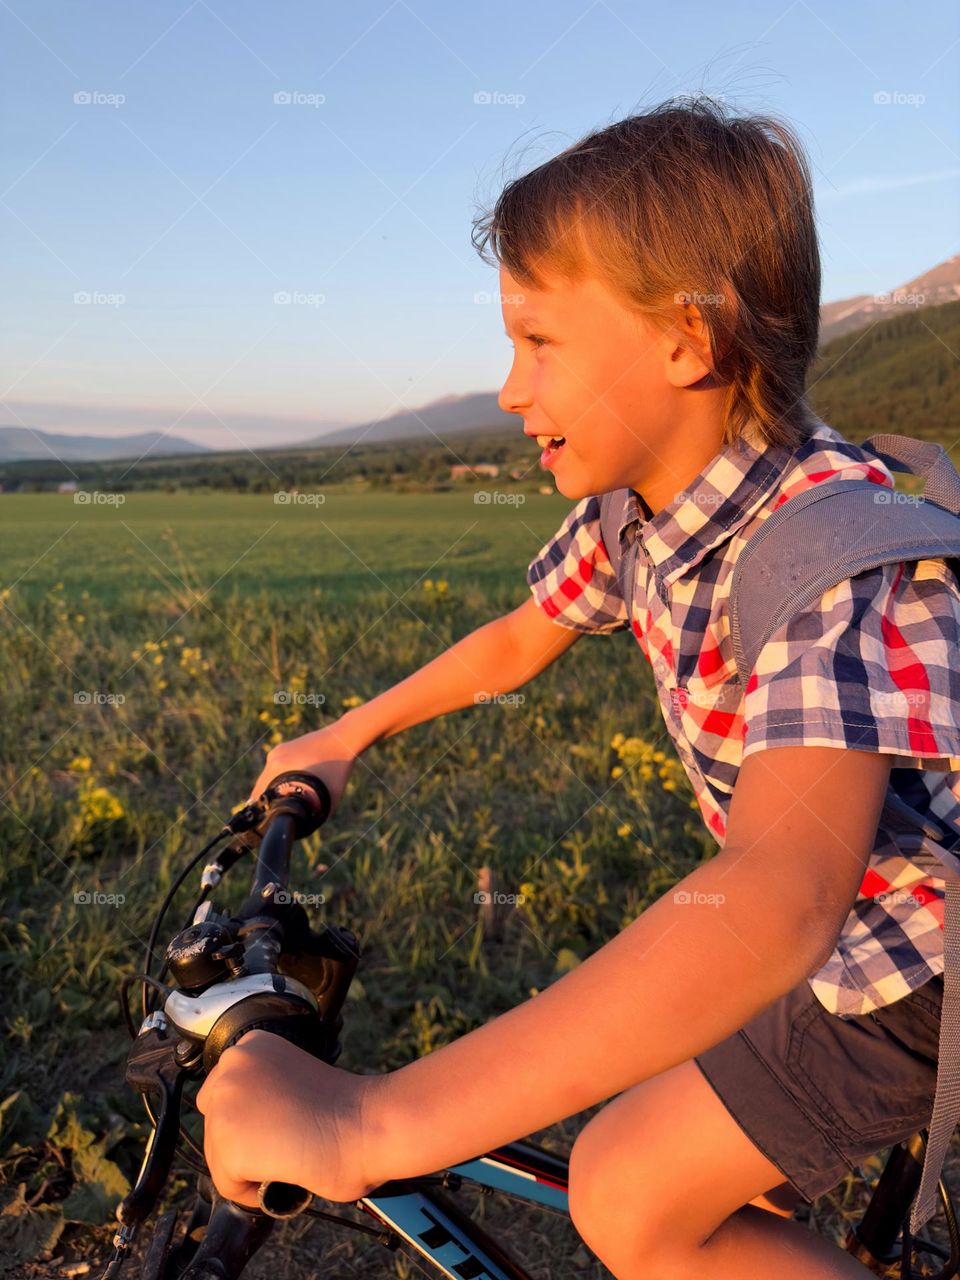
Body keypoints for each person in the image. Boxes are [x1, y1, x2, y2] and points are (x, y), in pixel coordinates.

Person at [196, 96, 960, 1277]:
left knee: (629, 1193)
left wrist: (367, 1118)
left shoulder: (828, 564)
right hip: (837, 936)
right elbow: (521, 634)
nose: (510, 389)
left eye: (539, 342)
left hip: (912, 970)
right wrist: (350, 731)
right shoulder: (644, 510)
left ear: (686, 342)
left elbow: (776, 895)